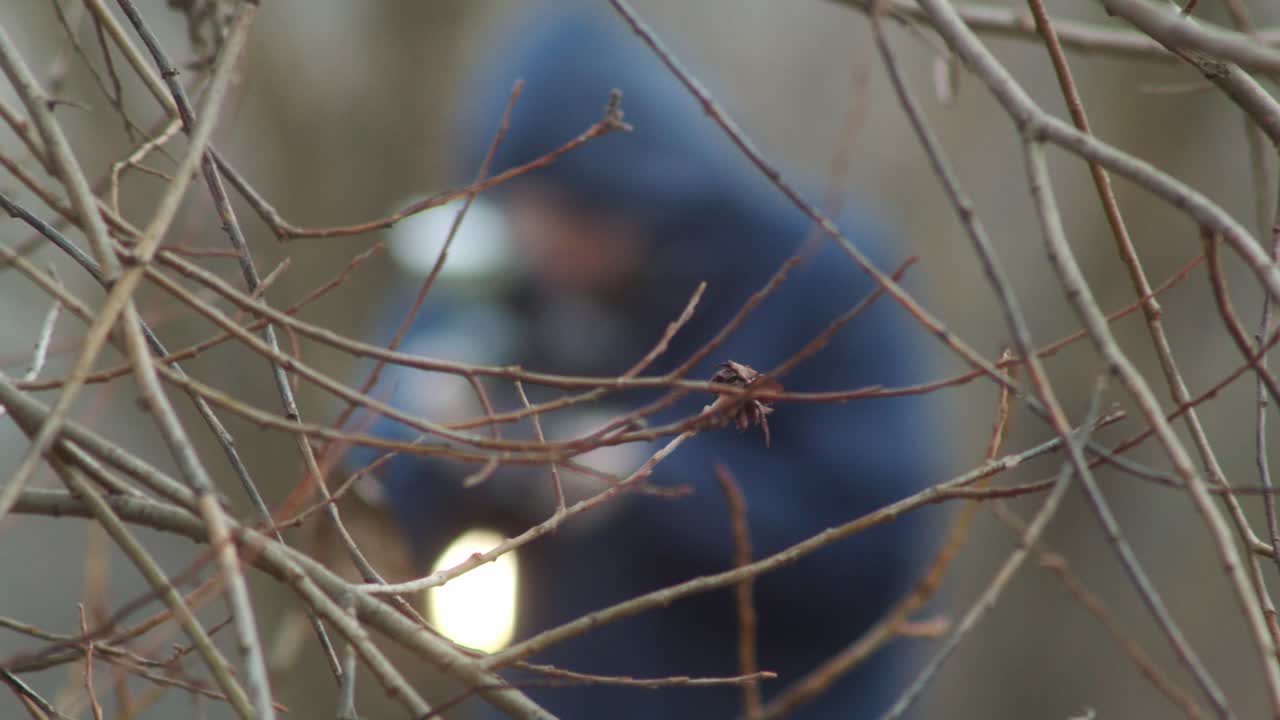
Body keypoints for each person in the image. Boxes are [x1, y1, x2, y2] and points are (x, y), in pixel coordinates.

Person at [345, 4, 941, 717]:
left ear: (646, 189)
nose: (546, 243)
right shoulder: (496, 275)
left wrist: (647, 483)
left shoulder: (821, 275)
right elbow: (356, 495)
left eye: (575, 214)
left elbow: (873, 554)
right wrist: (438, 440)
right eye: (523, 208)